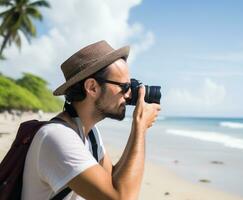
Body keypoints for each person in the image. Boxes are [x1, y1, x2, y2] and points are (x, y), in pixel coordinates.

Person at [21, 40, 161, 200]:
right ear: (92, 87)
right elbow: (122, 197)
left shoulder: (90, 133)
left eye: (131, 86)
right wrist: (140, 126)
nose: (129, 95)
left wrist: (138, 127)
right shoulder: (57, 137)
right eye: (124, 87)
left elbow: (113, 180)